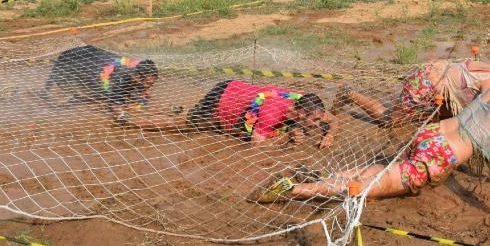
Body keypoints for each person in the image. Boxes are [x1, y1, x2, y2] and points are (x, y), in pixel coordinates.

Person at [258, 52, 490, 230]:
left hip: (430, 134)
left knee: (380, 171)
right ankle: (295, 190)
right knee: (369, 189)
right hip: (439, 156)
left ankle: (316, 180)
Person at [127, 79, 337, 148]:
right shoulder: (272, 112)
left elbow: (333, 120)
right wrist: (285, 137)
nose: (318, 124)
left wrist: (330, 134)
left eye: (319, 119)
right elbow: (257, 145)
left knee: (212, 128)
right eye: (315, 120)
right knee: (184, 126)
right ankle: (133, 122)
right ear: (300, 113)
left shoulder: (304, 101)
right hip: (222, 96)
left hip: (238, 102)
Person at [332, 57, 490, 128]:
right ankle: (349, 93)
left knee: (445, 118)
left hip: (436, 75)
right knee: (389, 120)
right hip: (425, 84)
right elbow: (482, 120)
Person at [41, 45, 159, 111]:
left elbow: (143, 92)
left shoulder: (138, 66)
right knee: (95, 93)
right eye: (148, 83)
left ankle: (46, 90)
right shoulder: (120, 80)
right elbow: (117, 106)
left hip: (92, 55)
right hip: (75, 59)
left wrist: (143, 93)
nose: (149, 86)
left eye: (152, 83)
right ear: (137, 77)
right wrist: (136, 106)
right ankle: (47, 91)